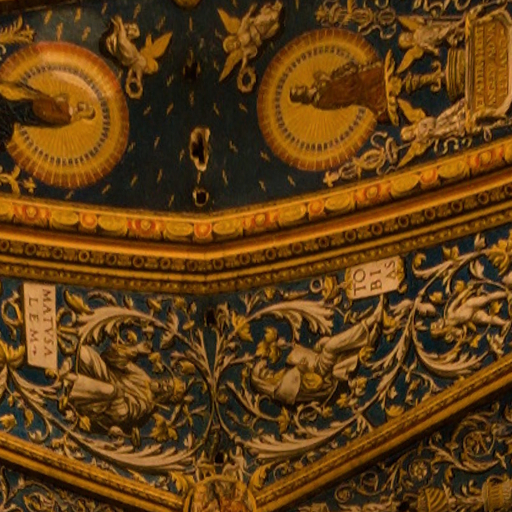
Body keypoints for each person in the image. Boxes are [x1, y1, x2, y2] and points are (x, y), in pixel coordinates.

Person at [61, 342, 185, 441]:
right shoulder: (143, 377)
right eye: (167, 382)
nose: (164, 385)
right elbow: (115, 359)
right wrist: (135, 350)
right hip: (105, 376)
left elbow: (121, 413)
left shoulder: (146, 405)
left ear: (164, 397)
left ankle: (68, 380)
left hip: (103, 403)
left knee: (111, 390)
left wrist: (119, 395)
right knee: (85, 353)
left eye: (167, 389)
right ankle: (64, 357)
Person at [0, 81, 94, 149]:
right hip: (37, 105)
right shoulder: (69, 110)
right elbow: (55, 101)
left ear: (84, 115)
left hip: (35, 111)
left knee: (13, 110)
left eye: (87, 109)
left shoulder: (67, 117)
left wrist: (56, 102)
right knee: (15, 105)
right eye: (88, 106)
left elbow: (50, 114)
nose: (86, 105)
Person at [289, 61, 389, 123]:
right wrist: (328, 80)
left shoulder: (315, 86)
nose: (298, 87)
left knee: (376, 73)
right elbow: (337, 95)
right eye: (297, 91)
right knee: (372, 81)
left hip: (347, 80)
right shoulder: (319, 101)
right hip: (350, 88)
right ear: (300, 97)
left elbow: (330, 78)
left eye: (296, 88)